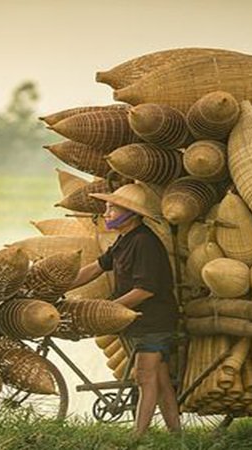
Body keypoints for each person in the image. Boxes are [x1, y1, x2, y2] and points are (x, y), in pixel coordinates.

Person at [69, 183, 181, 437]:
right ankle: (177, 435)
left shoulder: (144, 242)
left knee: (144, 377)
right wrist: (59, 284)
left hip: (154, 321)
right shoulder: (124, 240)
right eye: (107, 208)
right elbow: (95, 268)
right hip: (137, 322)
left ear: (130, 214)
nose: (106, 214)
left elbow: (145, 291)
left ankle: (136, 437)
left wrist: (108, 309)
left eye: (112, 209)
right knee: (161, 380)